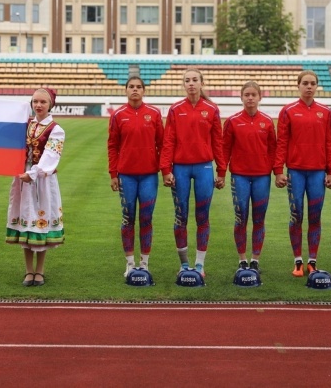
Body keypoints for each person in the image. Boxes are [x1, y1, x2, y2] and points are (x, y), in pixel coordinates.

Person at [160, 69, 226, 278]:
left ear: (201, 83)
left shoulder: (212, 109)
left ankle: (199, 264)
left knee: (202, 216)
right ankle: (184, 263)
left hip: (204, 168)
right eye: (187, 80)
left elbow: (218, 142)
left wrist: (222, 170)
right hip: (180, 168)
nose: (191, 84)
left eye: (194, 80)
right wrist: (166, 169)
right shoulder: (175, 109)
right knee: (181, 216)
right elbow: (168, 140)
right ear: (183, 84)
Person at [274, 70, 331, 277]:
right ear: (298, 85)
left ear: (316, 86)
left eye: (312, 83)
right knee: (297, 215)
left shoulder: (325, 112)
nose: (309, 87)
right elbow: (281, 142)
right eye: (305, 83)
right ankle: (298, 260)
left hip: (318, 173)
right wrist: (279, 170)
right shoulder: (288, 111)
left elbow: (330, 143)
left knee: (315, 216)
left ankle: (312, 260)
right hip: (296, 172)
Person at [6, 88, 65, 286]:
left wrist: (31, 174)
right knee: (25, 220)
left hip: (42, 180)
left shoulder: (56, 129)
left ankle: (39, 270)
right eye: (35, 101)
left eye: (43, 102)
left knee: (41, 221)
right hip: (23, 178)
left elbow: (51, 156)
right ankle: (28, 270)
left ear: (50, 105)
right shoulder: (25, 125)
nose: (38, 105)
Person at [107, 77, 164, 277]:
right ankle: (130, 263)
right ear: (126, 90)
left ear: (144, 91)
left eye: (138, 87)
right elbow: (112, 146)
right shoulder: (118, 115)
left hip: (149, 175)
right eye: (131, 87)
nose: (135, 90)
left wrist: (165, 170)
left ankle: (145, 263)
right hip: (126, 176)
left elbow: (162, 144)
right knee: (128, 218)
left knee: (146, 218)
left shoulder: (154, 113)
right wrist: (113, 174)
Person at [221, 81, 276, 272]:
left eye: (254, 95)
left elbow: (272, 150)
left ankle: (255, 260)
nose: (250, 98)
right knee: (241, 218)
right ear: (241, 97)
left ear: (260, 97)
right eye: (247, 95)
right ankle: (242, 259)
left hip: (262, 177)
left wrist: (275, 172)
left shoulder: (267, 122)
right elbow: (225, 149)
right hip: (240, 176)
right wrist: (221, 174)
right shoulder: (232, 121)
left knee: (259, 219)